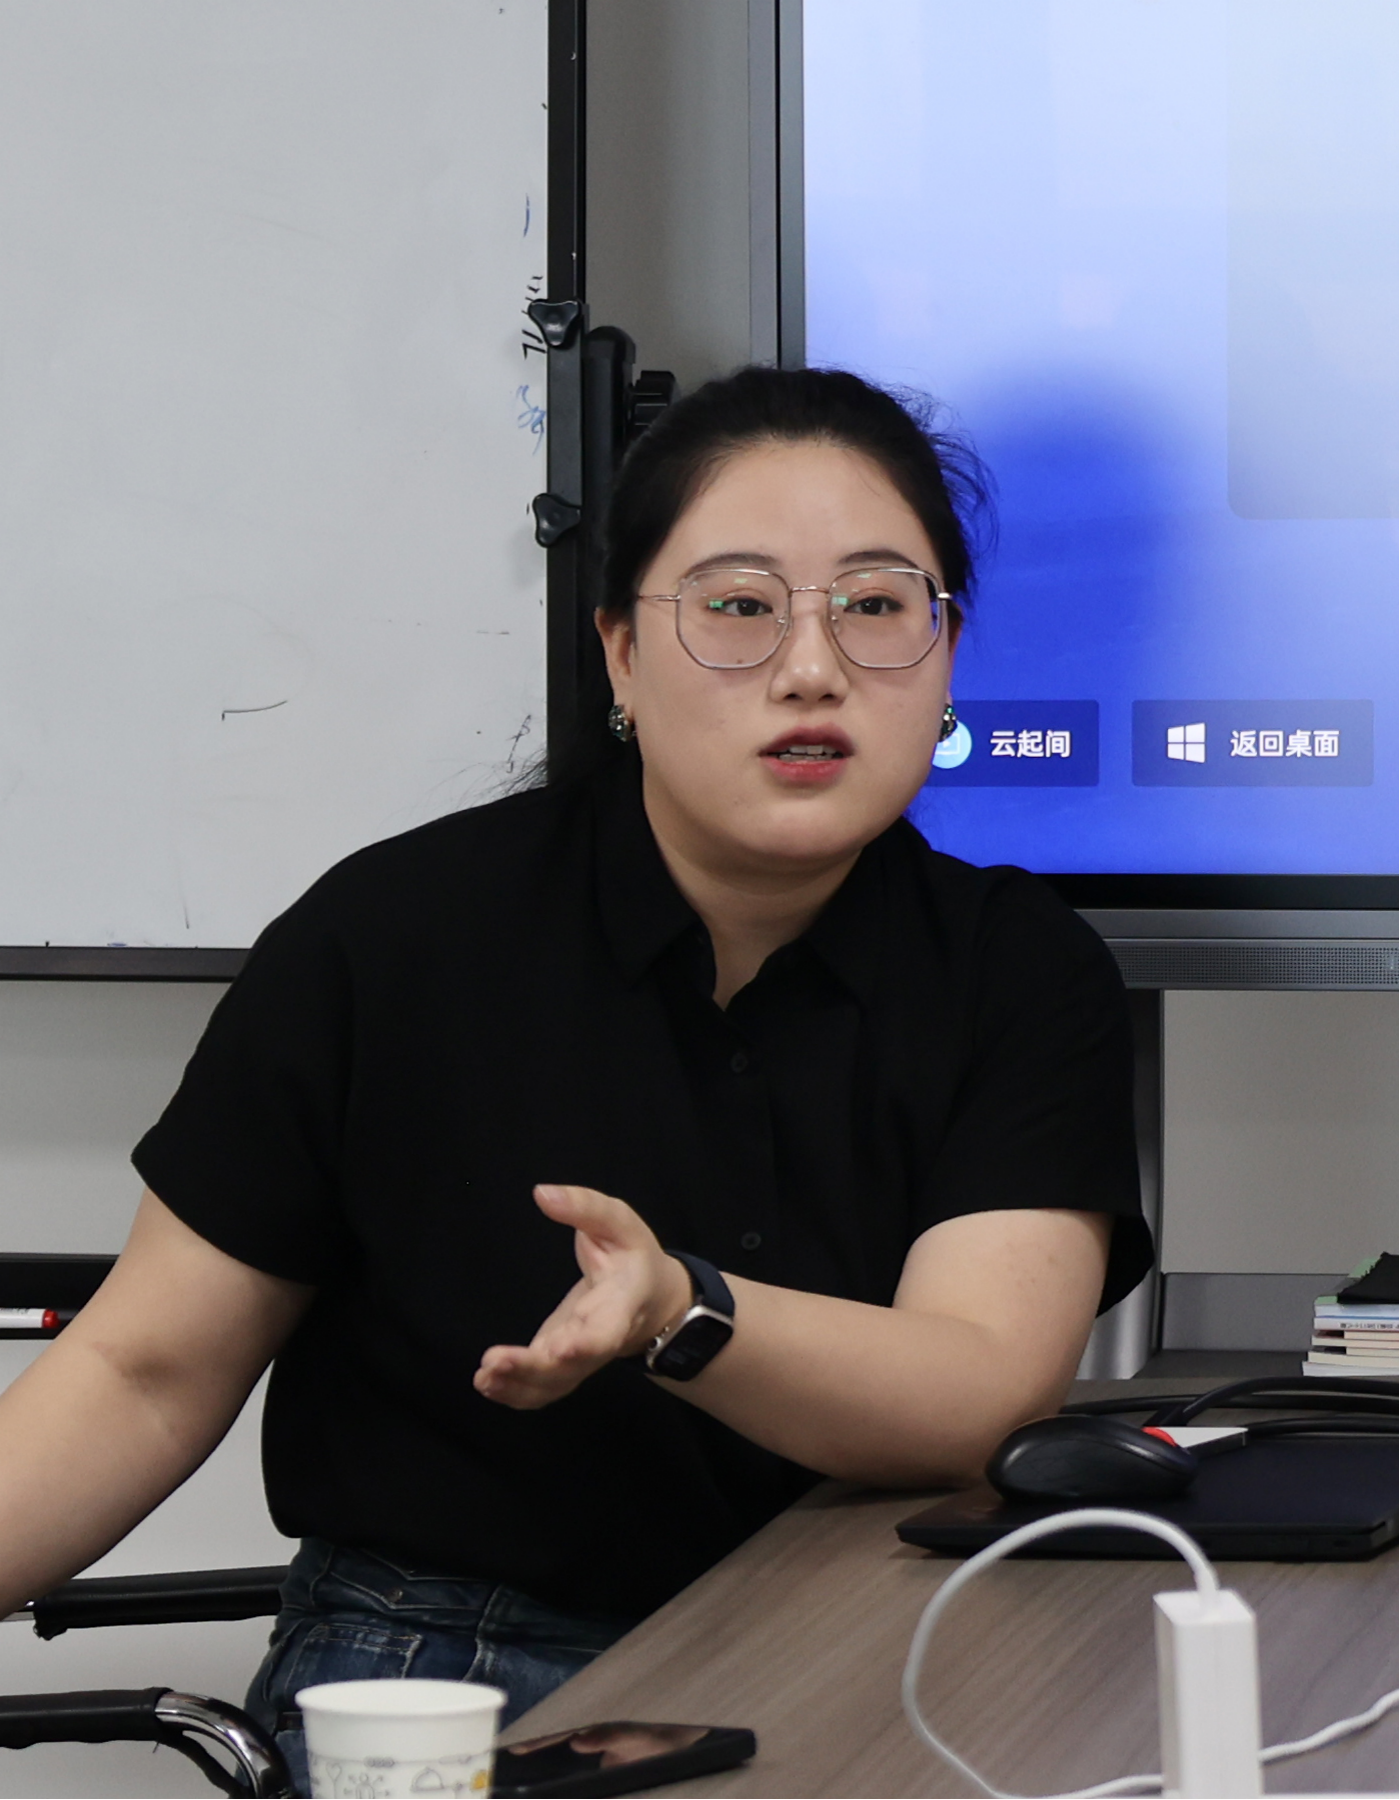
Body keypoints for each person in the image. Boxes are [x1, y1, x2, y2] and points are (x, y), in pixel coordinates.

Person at [0, 367, 1150, 1789]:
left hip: (875, 1635)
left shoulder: (1020, 971)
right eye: (739, 606)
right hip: (445, 1664)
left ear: (947, 648)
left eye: (875, 604)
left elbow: (975, 1388)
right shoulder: (392, 939)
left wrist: (679, 1308)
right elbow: (142, 1371)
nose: (813, 667)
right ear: (619, 654)